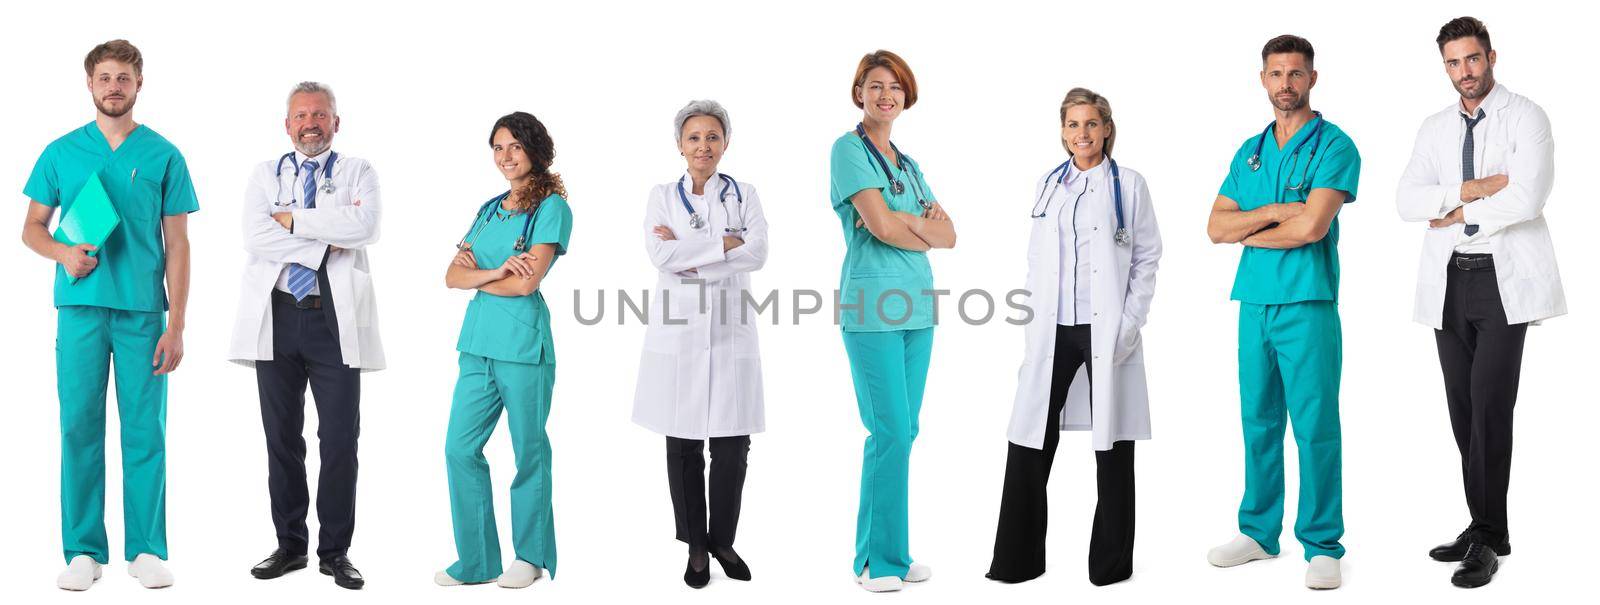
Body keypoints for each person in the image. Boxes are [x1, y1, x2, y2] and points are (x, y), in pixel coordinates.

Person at [1395, 16, 1564, 589]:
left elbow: (1528, 194)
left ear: (1491, 56)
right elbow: (1406, 199)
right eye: (1452, 62)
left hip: (1502, 281)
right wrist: (1475, 188)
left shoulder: (1527, 117)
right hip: (1449, 279)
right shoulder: (1434, 127)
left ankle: (1489, 537)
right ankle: (1485, 525)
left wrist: (1456, 211)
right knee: (1463, 411)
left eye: (1472, 59)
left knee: (1490, 405)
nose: (1464, 72)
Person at [21, 39, 196, 591]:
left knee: (146, 432)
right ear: (90, 84)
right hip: (79, 311)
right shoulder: (60, 153)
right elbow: (32, 228)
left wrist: (178, 324)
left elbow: (179, 245)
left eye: (124, 77)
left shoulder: (164, 155)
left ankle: (145, 548)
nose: (114, 86)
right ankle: (83, 550)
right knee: (79, 427)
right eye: (105, 77)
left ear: (138, 85)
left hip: (144, 315)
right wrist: (62, 252)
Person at [987, 87, 1162, 587]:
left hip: (1108, 328)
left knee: (1113, 443)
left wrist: (1129, 324)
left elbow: (1147, 257)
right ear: (1062, 131)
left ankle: (1110, 566)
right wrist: (1030, 319)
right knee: (1028, 438)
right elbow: (1036, 259)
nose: (1081, 134)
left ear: (1107, 128)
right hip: (1053, 327)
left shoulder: (1129, 185)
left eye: (1090, 124)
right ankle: (1016, 562)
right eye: (1072, 125)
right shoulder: (1049, 185)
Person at [1203, 34, 1360, 590]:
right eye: (1276, 73)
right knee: (1258, 420)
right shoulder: (1249, 150)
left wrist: (1249, 229)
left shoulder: (1334, 146)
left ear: (1312, 78)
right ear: (1263, 79)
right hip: (1255, 304)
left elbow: (1313, 226)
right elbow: (1215, 227)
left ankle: (1322, 544)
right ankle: (1258, 531)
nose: (1285, 84)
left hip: (1308, 303)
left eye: (1296, 73)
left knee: (1315, 426)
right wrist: (1271, 214)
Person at [229, 81, 385, 590]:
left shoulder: (358, 171)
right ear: (287, 124)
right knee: (281, 439)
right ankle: (290, 545)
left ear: (336, 122)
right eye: (301, 115)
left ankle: (335, 552)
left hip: (332, 320)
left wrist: (293, 219)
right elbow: (255, 235)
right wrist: (320, 244)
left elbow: (364, 226)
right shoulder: (263, 174)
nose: (310, 123)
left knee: (340, 439)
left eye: (320, 114)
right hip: (277, 316)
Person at [828, 49, 956, 593]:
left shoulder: (908, 163)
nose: (887, 95)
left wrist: (903, 222)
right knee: (888, 432)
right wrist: (914, 224)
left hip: (917, 307)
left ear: (906, 97)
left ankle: (888, 554)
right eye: (876, 86)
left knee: (903, 431)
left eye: (896, 88)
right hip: (872, 306)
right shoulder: (846, 150)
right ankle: (878, 563)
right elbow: (878, 228)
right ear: (859, 93)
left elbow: (950, 235)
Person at [633, 100, 769, 589]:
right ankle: (695, 546)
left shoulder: (745, 193)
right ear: (679, 145)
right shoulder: (661, 195)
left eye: (713, 137)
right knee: (684, 441)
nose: (703, 146)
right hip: (680, 331)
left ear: (725, 143)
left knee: (733, 445)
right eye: (694, 138)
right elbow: (659, 254)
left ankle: (722, 539)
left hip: (731, 328)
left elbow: (758, 253)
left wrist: (692, 257)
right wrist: (725, 246)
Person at [435, 111, 573, 589]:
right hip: (477, 346)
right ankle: (476, 560)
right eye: (498, 147)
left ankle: (530, 556)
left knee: (529, 451)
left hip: (522, 346)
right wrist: (496, 272)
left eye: (515, 146)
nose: (506, 156)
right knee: (459, 447)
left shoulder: (550, 209)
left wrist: (490, 276)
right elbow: (452, 276)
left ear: (534, 150)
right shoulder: (491, 208)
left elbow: (527, 283)